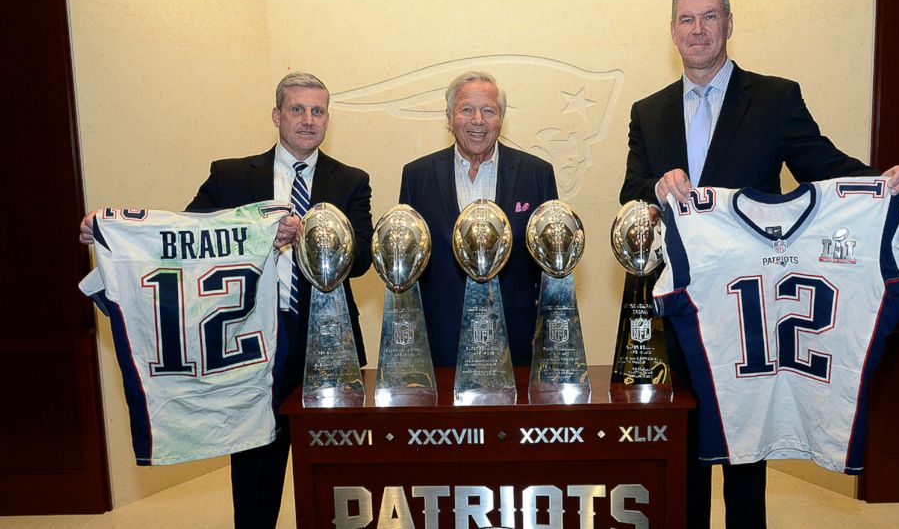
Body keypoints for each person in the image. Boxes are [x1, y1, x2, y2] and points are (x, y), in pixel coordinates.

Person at [619, 0, 899, 529]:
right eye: (687, 20)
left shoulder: (775, 97)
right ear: (673, 32)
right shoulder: (648, 111)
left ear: (729, 24)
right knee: (684, 434)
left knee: (743, 446)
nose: (698, 30)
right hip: (683, 301)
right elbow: (630, 191)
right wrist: (658, 187)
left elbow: (822, 165)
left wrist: (882, 182)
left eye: (709, 17)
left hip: (749, 304)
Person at [80, 71, 373, 529]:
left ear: (327, 120)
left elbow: (359, 261)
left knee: (338, 460)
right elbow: (181, 242)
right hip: (247, 340)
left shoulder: (352, 180)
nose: (308, 120)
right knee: (257, 460)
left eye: (318, 111)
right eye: (297, 109)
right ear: (277, 115)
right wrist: (111, 233)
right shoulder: (232, 174)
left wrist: (312, 238)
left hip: (328, 343)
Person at [399, 71, 558, 368]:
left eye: (488, 110)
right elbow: (408, 269)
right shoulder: (417, 176)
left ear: (501, 119)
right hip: (440, 342)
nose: (477, 120)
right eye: (466, 109)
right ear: (449, 117)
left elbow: (550, 266)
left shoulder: (537, 174)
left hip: (516, 340)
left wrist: (547, 329)